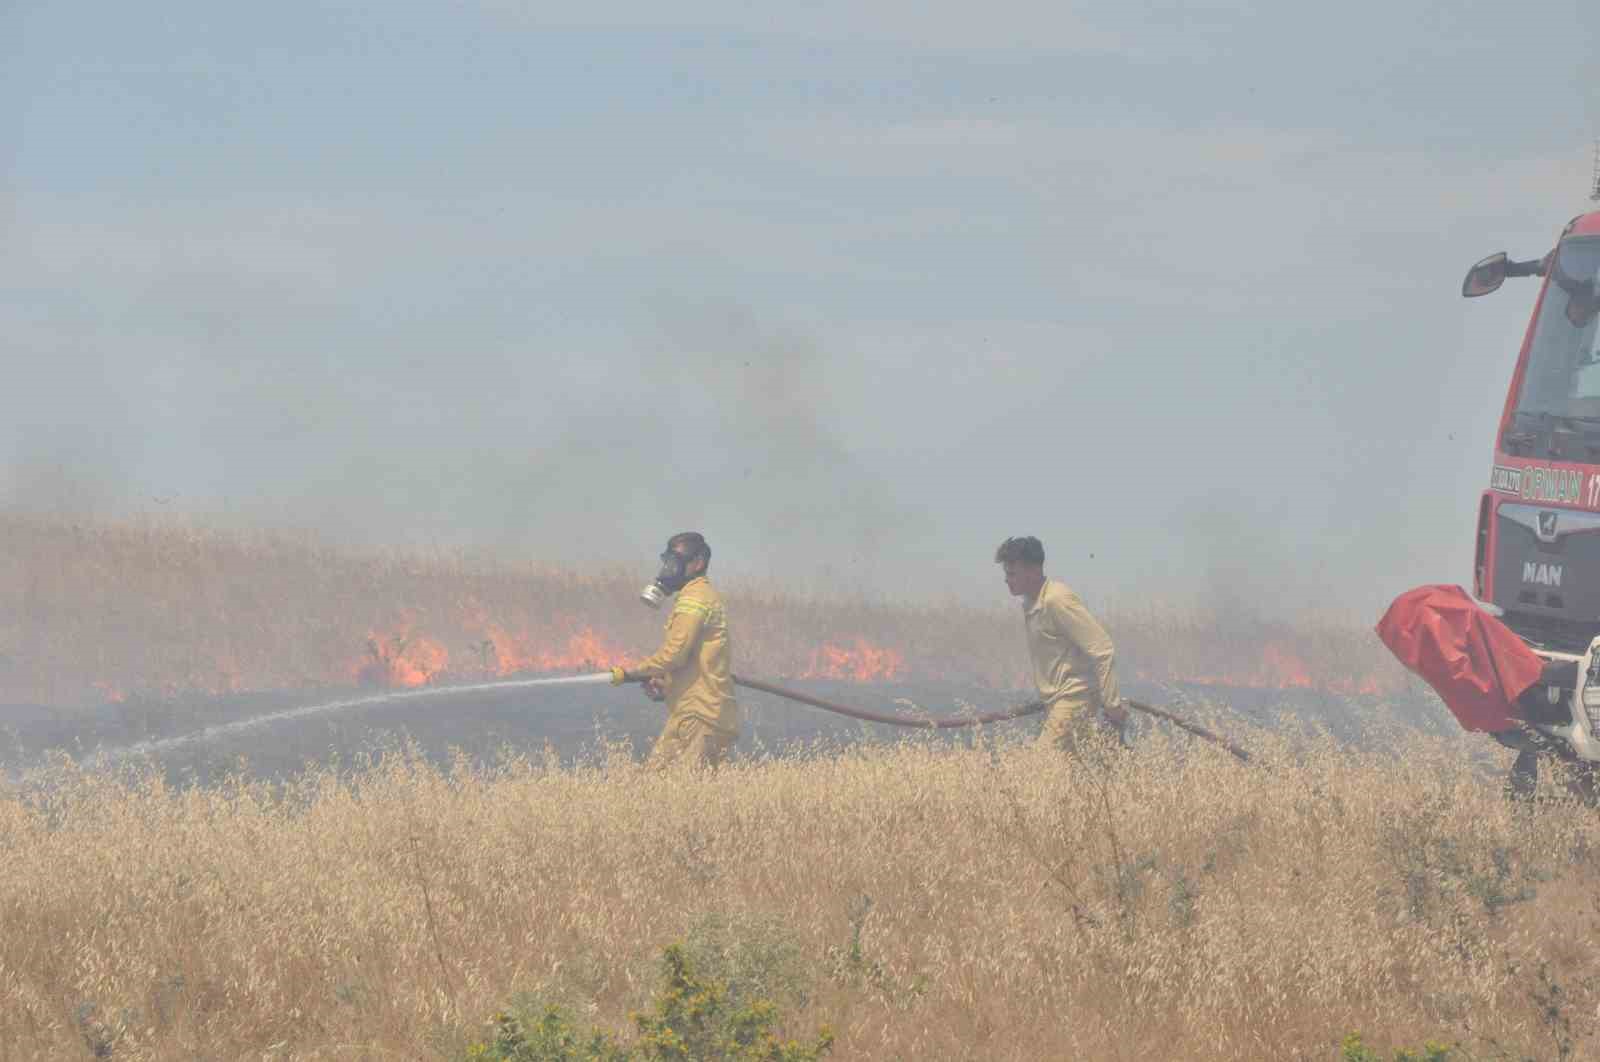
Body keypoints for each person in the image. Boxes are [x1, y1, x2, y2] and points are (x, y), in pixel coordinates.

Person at [611, 532, 740, 768]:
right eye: (667, 562)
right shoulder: (698, 596)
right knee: (654, 789)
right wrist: (666, 683)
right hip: (692, 715)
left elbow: (675, 652)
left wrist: (635, 672)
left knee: (683, 796)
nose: (669, 570)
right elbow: (690, 660)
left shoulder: (696, 598)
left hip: (701, 718)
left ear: (698, 563)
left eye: (676, 563)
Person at [995, 535, 1129, 752]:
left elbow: (1103, 650)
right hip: (1058, 702)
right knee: (1078, 772)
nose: (1007, 580)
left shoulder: (1056, 600)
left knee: (1040, 768)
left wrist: (1112, 705)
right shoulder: (1031, 603)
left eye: (1012, 573)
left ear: (1033, 571)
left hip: (1074, 698)